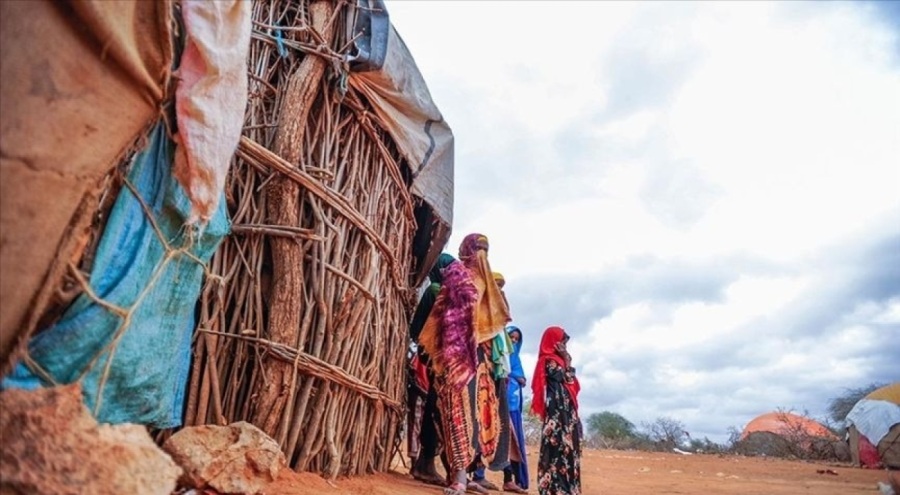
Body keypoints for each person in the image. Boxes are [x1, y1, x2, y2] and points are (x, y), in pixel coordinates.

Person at [419, 233, 511, 495]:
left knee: (473, 419)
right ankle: (458, 477)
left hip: (474, 360)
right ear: (467, 250)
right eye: (478, 248)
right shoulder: (460, 277)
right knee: (455, 417)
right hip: (455, 357)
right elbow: (447, 318)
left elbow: (488, 325)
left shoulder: (482, 282)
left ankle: (463, 475)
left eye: (485, 249)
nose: (482, 254)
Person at [407, 253, 457, 486]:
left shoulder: (438, 291)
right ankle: (425, 464)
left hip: (435, 359)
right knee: (435, 409)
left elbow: (416, 329)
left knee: (433, 407)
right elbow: (417, 329)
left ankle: (425, 464)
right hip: (444, 362)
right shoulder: (439, 291)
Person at [532, 326, 582, 495]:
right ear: (553, 341)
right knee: (557, 446)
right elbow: (563, 378)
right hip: (557, 412)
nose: (563, 346)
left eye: (564, 343)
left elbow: (572, 384)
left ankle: (569, 488)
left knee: (569, 448)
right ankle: (553, 488)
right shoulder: (548, 361)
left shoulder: (561, 360)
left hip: (568, 412)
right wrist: (566, 361)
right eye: (561, 342)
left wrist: (567, 361)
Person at [503, 325, 529, 493]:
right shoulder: (500, 355)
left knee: (515, 444)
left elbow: (523, 379)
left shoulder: (516, 359)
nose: (513, 341)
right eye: (511, 337)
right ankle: (478, 475)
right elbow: (503, 372)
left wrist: (519, 378)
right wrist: (515, 377)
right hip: (499, 404)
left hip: (514, 407)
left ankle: (511, 480)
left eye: (516, 339)